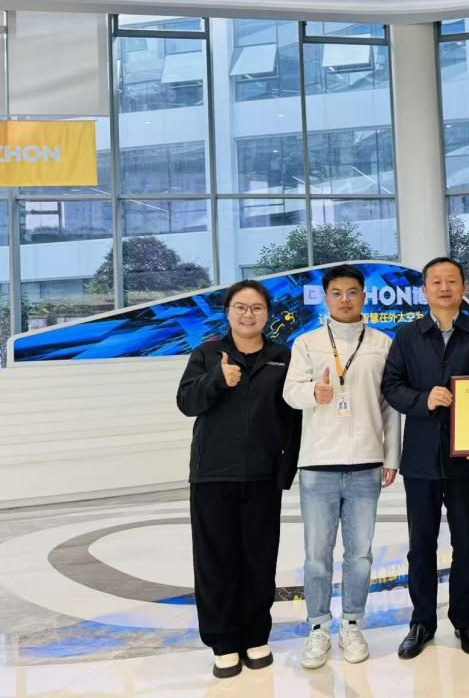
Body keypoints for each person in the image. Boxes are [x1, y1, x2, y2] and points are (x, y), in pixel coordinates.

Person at [381, 257, 469, 659]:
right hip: (420, 458)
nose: (445, 287)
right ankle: (422, 622)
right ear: (424, 291)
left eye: (452, 280)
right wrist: (423, 399)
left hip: (467, 456)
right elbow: (391, 386)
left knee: (466, 543)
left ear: (463, 288)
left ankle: (465, 621)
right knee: (421, 544)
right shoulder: (407, 336)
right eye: (436, 281)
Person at [176, 280, 300, 679]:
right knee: (215, 561)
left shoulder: (282, 357)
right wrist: (217, 378)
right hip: (212, 476)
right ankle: (223, 641)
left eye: (257, 308)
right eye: (241, 307)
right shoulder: (207, 354)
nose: (249, 315)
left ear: (268, 314)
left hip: (263, 477)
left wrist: (285, 470)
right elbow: (186, 402)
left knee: (259, 559)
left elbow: (293, 419)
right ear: (228, 312)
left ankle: (255, 635)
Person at [283, 265, 400, 668]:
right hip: (318, 464)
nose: (345, 299)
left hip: (367, 462)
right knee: (317, 555)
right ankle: (318, 627)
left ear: (364, 297)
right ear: (326, 297)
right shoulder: (308, 343)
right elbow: (290, 392)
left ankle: (352, 623)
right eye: (337, 293)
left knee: (360, 554)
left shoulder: (382, 344)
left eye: (352, 292)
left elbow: (390, 406)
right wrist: (313, 392)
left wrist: (391, 456)